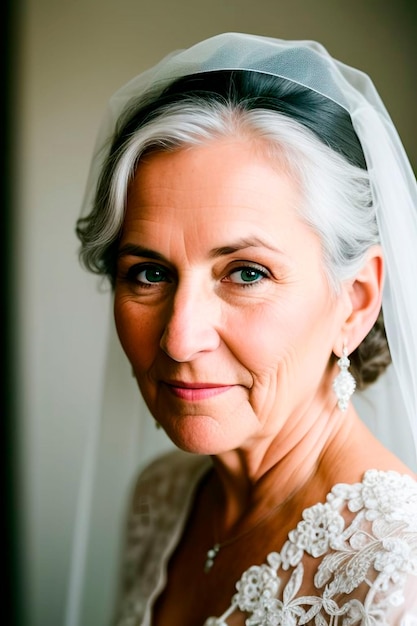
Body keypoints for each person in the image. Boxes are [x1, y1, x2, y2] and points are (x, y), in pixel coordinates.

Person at [75, 33, 417, 625]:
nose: (180, 339)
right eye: (149, 272)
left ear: (356, 302)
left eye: (247, 273)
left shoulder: (398, 577)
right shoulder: (161, 500)